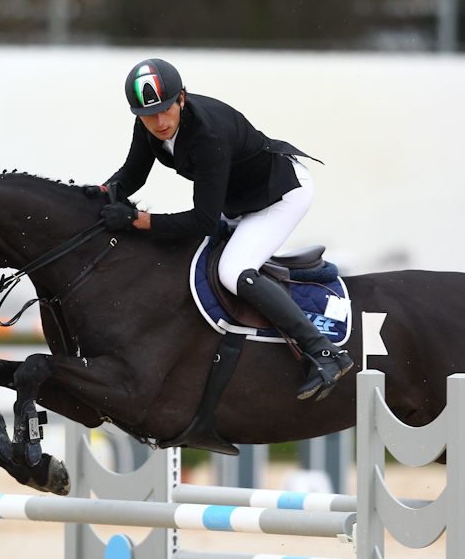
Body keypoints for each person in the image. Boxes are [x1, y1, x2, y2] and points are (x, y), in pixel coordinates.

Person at [90, 58, 352, 400]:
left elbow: (203, 221)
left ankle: (324, 352)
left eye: (165, 110)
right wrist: (94, 198)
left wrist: (137, 221)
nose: (158, 122)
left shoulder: (206, 135)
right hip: (240, 200)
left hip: (280, 195)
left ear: (181, 98)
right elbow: (133, 174)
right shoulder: (150, 122)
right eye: (147, 114)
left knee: (233, 271)